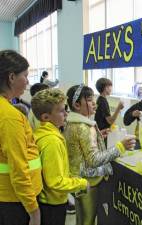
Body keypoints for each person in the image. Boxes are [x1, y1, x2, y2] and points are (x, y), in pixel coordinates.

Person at [63, 84, 135, 225]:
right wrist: (120, 147)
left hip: (76, 178)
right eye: (89, 100)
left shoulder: (72, 123)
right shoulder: (84, 127)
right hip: (88, 182)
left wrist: (98, 137)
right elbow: (94, 160)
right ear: (77, 105)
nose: (94, 103)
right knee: (88, 220)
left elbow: (80, 148)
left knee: (81, 217)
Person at [31, 89, 88, 225]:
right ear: (45, 117)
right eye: (61, 111)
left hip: (48, 202)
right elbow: (55, 181)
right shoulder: (51, 141)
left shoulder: (42, 133)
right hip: (52, 204)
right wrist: (82, 183)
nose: (66, 113)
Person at [0, 50, 42, 225]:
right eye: (25, 76)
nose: (28, 82)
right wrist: (33, 210)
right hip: (16, 201)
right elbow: (18, 167)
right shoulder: (10, 117)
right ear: (11, 77)